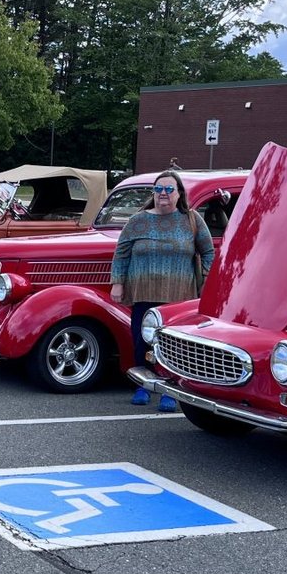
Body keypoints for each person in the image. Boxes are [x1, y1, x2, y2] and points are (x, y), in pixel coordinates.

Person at [110, 169, 214, 411]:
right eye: (158, 189)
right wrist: (118, 282)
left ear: (179, 194)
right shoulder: (137, 221)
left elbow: (208, 251)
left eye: (168, 189)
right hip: (143, 292)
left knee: (173, 344)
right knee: (142, 340)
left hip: (178, 297)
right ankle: (143, 386)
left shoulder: (192, 220)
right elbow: (121, 253)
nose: (163, 193)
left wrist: (207, 278)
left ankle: (171, 390)